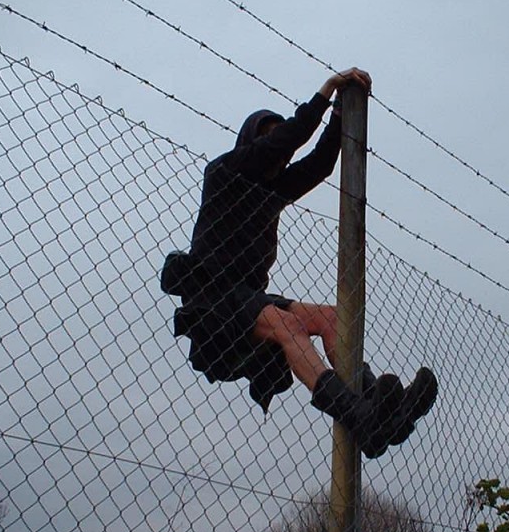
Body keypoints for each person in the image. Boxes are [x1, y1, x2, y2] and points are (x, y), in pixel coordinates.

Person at [161, 67, 437, 458]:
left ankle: (379, 409)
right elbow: (285, 145)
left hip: (245, 301)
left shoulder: (271, 190)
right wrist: (325, 92)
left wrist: (342, 113)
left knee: (330, 317)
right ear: (251, 143)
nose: (276, 144)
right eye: (267, 136)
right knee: (285, 321)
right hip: (211, 304)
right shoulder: (225, 172)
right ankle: (356, 414)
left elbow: (319, 164)